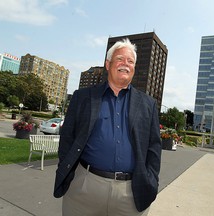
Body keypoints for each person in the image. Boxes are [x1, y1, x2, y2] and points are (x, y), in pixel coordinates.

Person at [53, 38, 162, 216]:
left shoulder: (148, 104)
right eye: (120, 59)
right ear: (108, 64)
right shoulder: (83, 97)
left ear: (134, 67)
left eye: (130, 61)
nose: (125, 64)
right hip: (84, 189)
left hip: (130, 194)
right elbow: (67, 138)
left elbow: (154, 147)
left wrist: (151, 180)